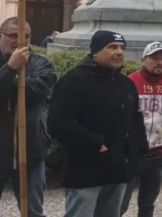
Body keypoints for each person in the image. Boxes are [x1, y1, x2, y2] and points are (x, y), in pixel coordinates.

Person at [48, 30, 148, 217]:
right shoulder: (73, 81)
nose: (119, 52)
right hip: (85, 171)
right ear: (95, 52)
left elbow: (135, 119)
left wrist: (137, 149)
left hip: (117, 170)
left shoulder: (125, 84)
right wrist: (95, 143)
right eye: (112, 47)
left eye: (122, 48)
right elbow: (58, 123)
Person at [121, 42, 162, 217]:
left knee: (148, 203)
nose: (159, 62)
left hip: (158, 153)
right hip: (130, 153)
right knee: (120, 201)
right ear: (143, 60)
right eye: (155, 58)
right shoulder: (129, 82)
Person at [0, 17, 56, 217]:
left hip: (31, 152)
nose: (19, 41)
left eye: (25, 36)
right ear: (1, 36)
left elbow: (34, 94)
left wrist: (8, 83)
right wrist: (10, 69)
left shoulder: (42, 64)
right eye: (13, 36)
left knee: (32, 211)